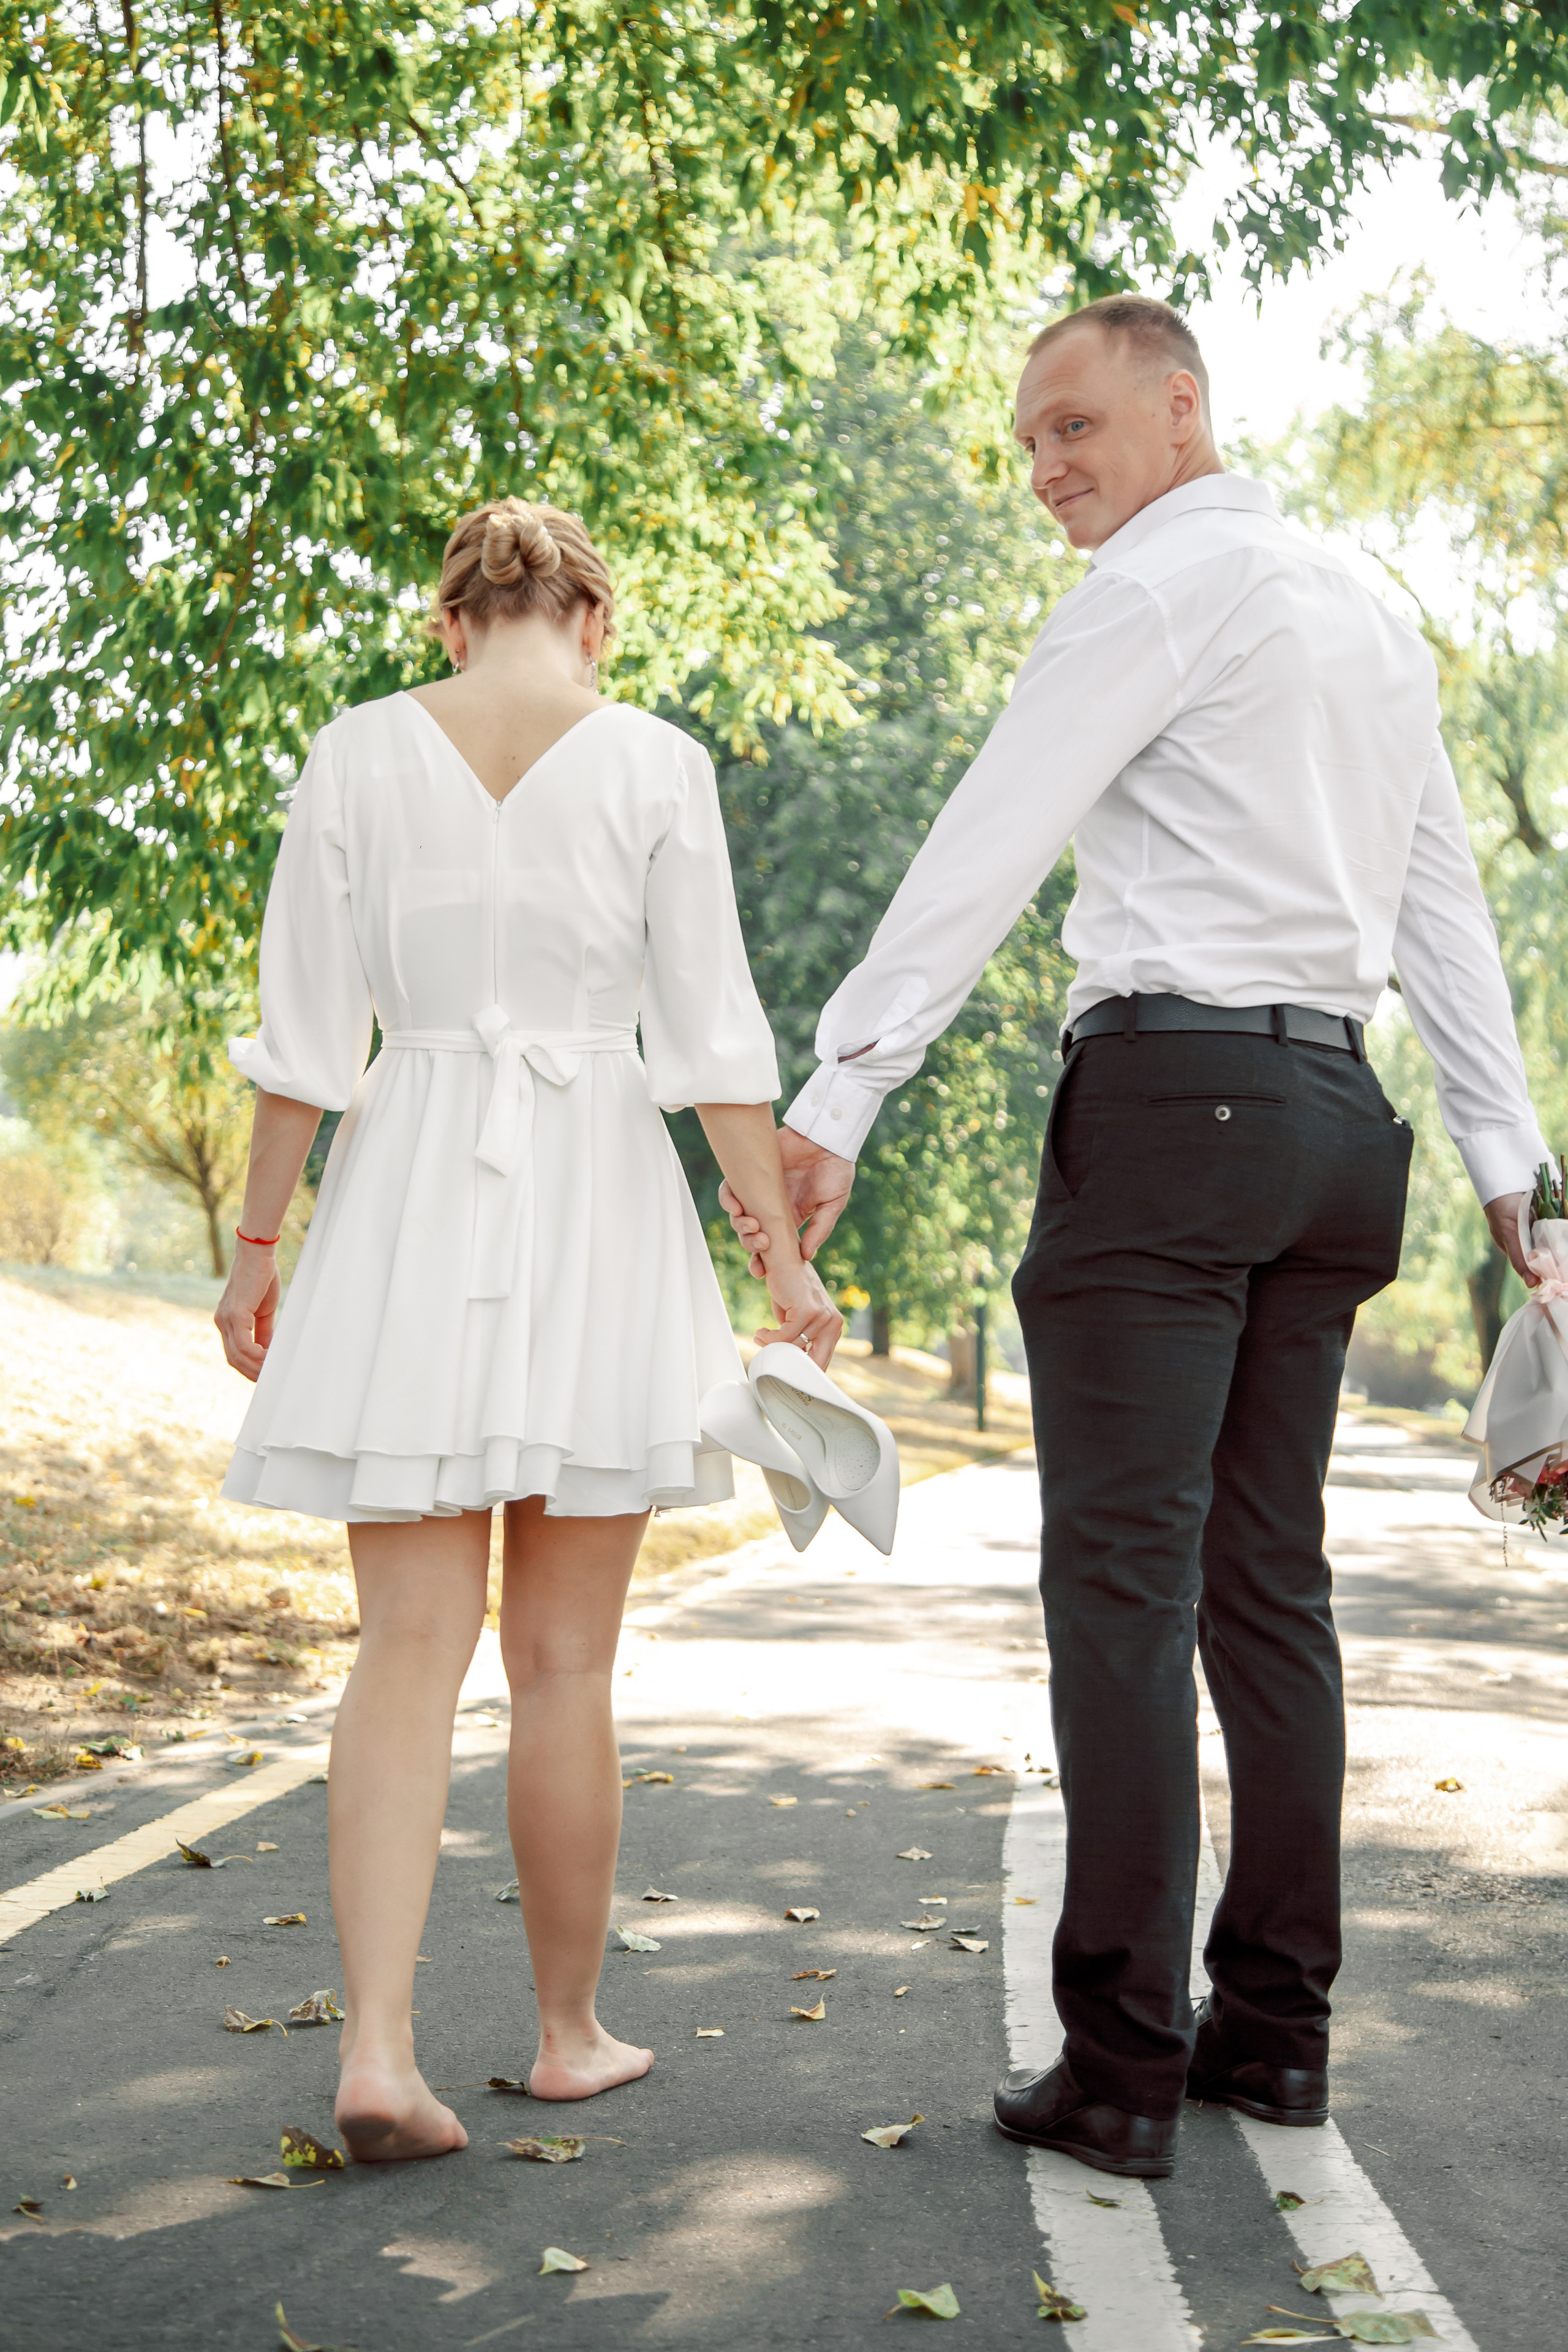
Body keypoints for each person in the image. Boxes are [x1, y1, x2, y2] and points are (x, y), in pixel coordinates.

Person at [723, 295, 1548, 2178]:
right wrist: (1520, 1181)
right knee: (1273, 1586)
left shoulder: (1160, 592)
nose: (1046, 473)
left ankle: (1119, 2066)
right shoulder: (1370, 614)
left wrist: (839, 1095)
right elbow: (1443, 914)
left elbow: (988, 839)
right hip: (1342, 1131)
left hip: (1177, 1119)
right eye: (1027, 443)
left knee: (1124, 1585)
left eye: (1075, 428)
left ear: (1184, 411)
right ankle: (1278, 2039)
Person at [214, 496, 840, 2163]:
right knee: (565, 1661)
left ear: (452, 622)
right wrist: (781, 1266)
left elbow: (301, 1038)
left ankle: (377, 2051)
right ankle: (567, 2038)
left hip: (409, 1180)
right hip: (595, 1193)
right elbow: (714, 1046)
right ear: (593, 617)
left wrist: (258, 1243)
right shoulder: (654, 762)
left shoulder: (355, 752)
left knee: (403, 1647)